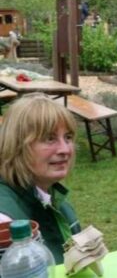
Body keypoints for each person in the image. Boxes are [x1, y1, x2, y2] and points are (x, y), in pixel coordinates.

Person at [0, 93, 81, 264]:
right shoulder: (5, 221)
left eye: (68, 137)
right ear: (17, 145)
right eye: (49, 138)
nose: (65, 149)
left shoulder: (54, 199)